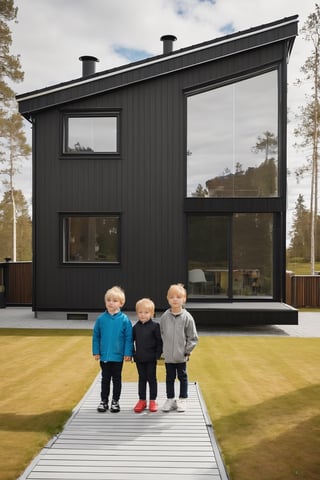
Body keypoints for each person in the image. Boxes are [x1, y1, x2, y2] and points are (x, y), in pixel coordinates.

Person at [92, 286, 133, 413]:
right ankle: (104, 401)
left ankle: (115, 401)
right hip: (104, 356)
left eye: (114, 300)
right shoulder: (101, 319)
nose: (111, 303)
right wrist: (96, 351)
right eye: (108, 300)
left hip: (118, 356)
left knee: (116, 379)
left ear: (121, 303)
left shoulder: (125, 320)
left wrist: (127, 353)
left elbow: (128, 338)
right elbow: (96, 336)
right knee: (105, 379)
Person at [160, 283, 198, 413]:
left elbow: (192, 337)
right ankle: (170, 399)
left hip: (181, 356)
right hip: (169, 357)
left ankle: (182, 399)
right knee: (169, 377)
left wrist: (187, 351)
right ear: (168, 298)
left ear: (184, 299)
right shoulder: (165, 317)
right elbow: (161, 334)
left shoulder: (187, 318)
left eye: (178, 297)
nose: (175, 299)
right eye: (172, 297)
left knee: (182, 377)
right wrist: (163, 350)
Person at [133, 298, 163, 413]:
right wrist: (132, 353)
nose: (143, 315)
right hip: (139, 358)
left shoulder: (155, 326)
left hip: (151, 359)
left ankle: (152, 400)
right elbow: (131, 341)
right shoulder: (135, 328)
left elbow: (159, 342)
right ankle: (142, 400)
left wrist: (157, 355)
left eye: (146, 312)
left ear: (152, 313)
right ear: (137, 313)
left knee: (152, 379)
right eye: (140, 312)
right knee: (142, 379)